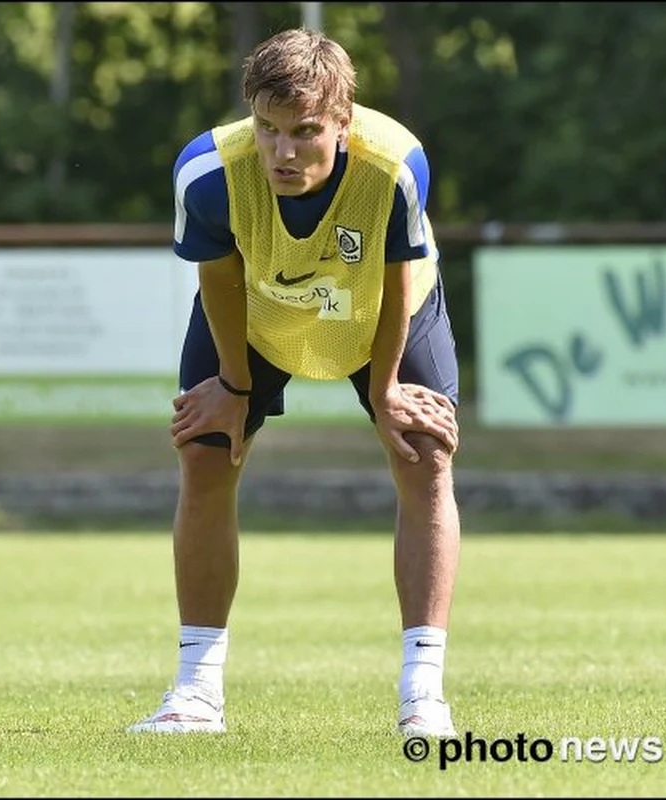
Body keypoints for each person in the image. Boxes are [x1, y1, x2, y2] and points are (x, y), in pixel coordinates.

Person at [127, 27, 462, 738]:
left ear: (343, 122)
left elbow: (398, 280)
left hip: (379, 307)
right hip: (259, 311)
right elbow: (217, 278)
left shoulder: (397, 163)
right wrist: (234, 387)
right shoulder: (207, 174)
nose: (283, 152)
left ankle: (423, 694)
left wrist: (385, 394)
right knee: (204, 452)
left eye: (305, 132)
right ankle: (195, 692)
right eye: (268, 130)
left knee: (425, 451)